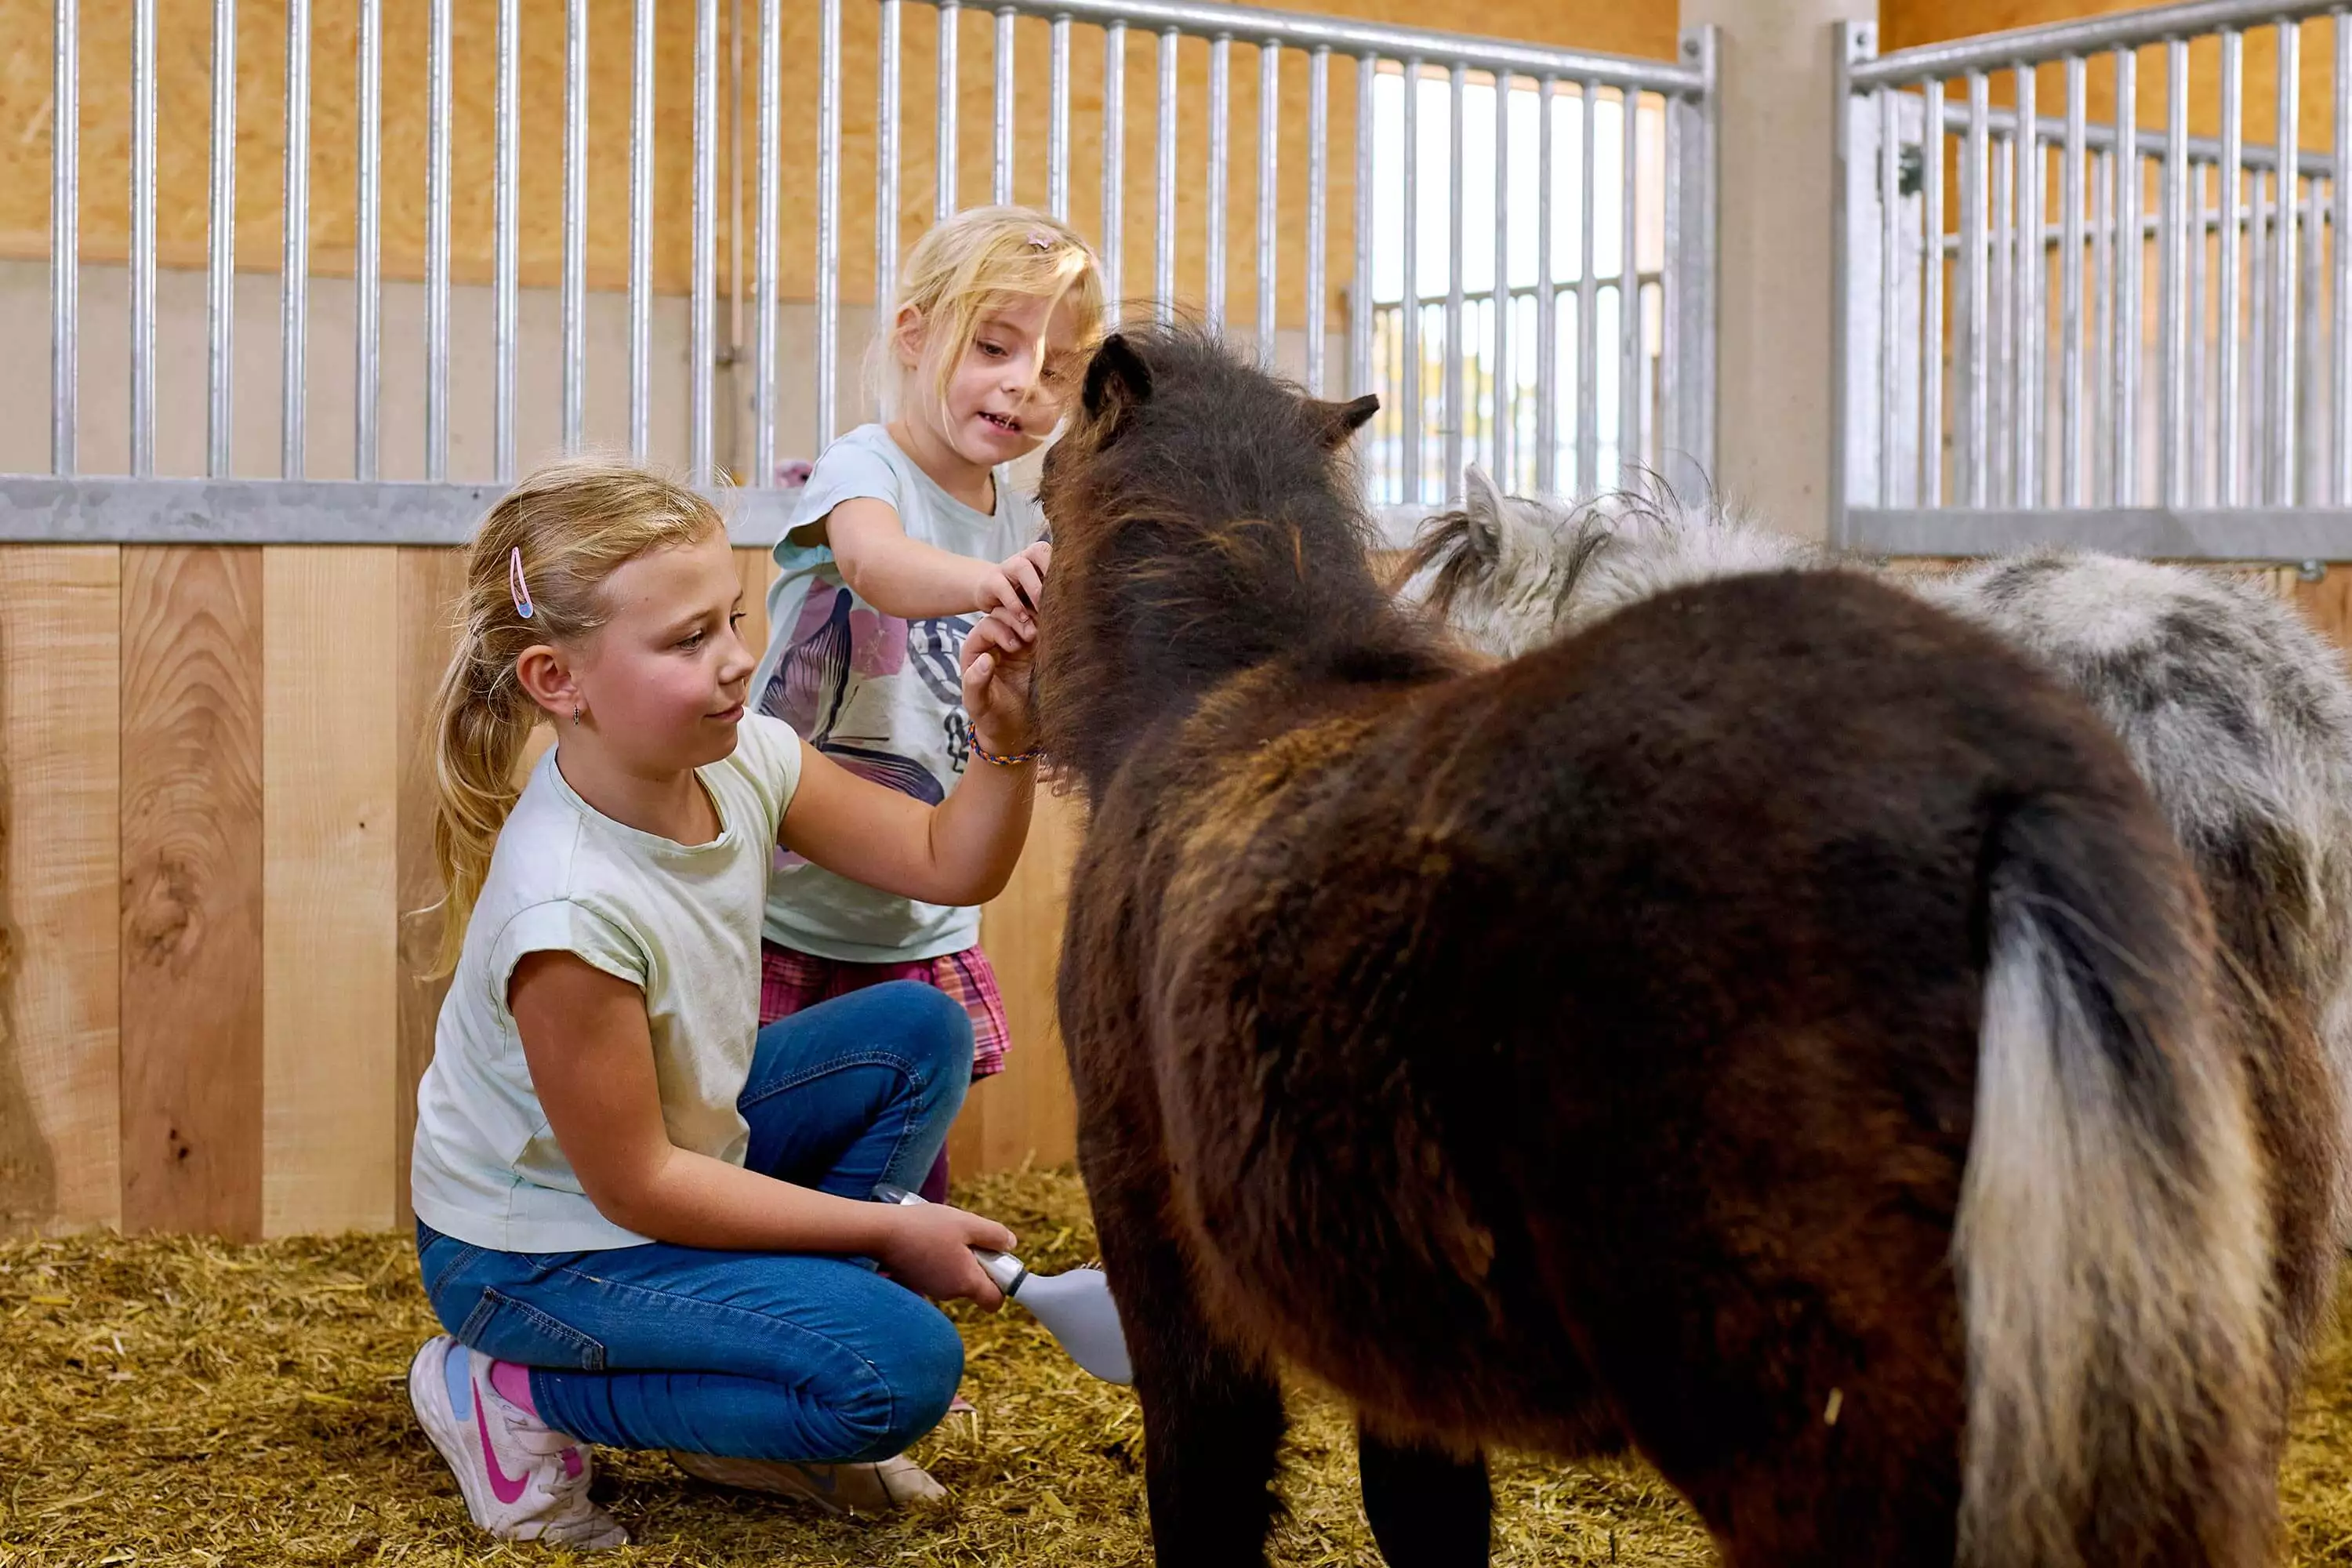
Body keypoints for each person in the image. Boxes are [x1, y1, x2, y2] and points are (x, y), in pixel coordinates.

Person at [403, 458, 1043, 1547]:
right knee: (896, 1373)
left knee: (917, 1027)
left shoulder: (743, 758)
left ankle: (752, 1399)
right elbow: (642, 1186)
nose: (740, 659)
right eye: (688, 639)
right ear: (559, 681)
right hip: (531, 1256)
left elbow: (947, 859)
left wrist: (1005, 733)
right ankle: (508, 1394)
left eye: (734, 618)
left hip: (668, 1166)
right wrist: (890, 1231)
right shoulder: (566, 907)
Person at [750, 205, 1101, 1203]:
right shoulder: (870, 466)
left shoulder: (1030, 521)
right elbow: (876, 563)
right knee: (764, 1159)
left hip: (917, 922)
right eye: (994, 345)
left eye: (1056, 368)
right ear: (915, 334)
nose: (1022, 384)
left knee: (900, 1185)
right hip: (786, 909)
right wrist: (996, 585)